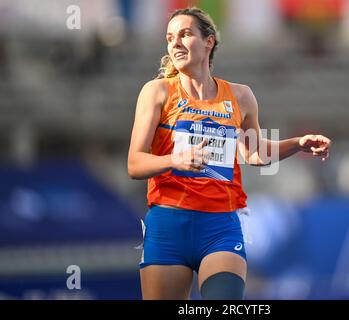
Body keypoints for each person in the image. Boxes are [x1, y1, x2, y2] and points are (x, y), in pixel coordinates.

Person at [127, 7, 331, 300]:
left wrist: (298, 143)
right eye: (170, 37)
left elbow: (255, 153)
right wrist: (175, 160)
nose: (175, 43)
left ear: (208, 41)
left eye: (185, 34)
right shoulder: (157, 92)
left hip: (220, 226)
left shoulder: (240, 96)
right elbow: (134, 163)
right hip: (169, 226)